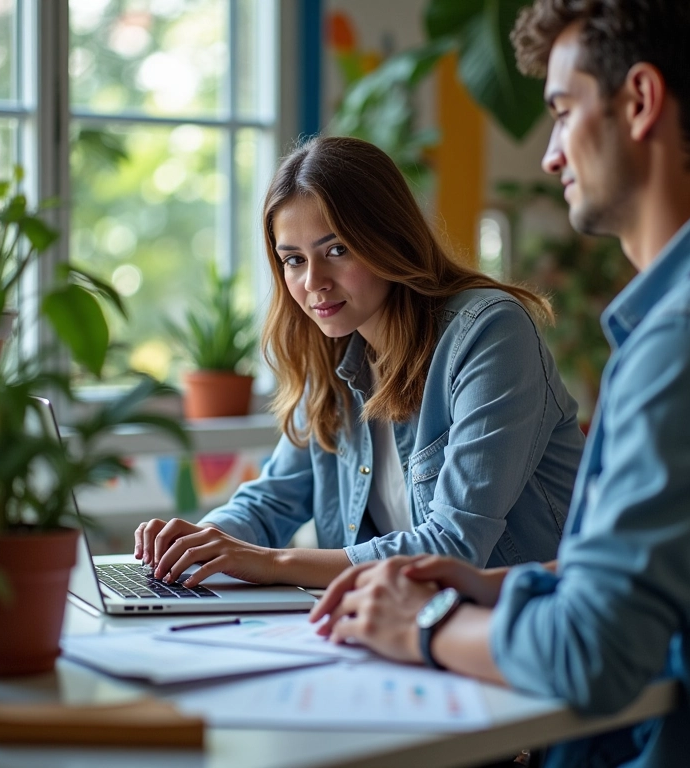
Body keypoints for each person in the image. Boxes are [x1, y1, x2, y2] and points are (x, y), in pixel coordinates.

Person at [311, 2, 690, 766]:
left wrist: (423, 624)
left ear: (639, 102)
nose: (551, 156)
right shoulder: (677, 321)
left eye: (562, 113)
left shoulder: (687, 334)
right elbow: (671, 566)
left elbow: (592, 654)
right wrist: (499, 585)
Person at [134, 135, 584, 590]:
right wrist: (197, 542)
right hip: (394, 628)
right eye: (293, 260)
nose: (314, 282)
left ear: (389, 237)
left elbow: (453, 545)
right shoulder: (332, 354)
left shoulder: (488, 332)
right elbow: (271, 501)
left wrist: (273, 562)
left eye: (337, 250)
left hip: (523, 626)